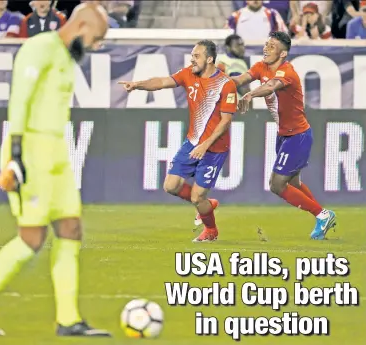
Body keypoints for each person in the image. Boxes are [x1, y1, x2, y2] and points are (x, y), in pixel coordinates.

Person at [0, 3, 112, 338]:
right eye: (96, 39)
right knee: (32, 237)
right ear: (81, 26)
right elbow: (19, 102)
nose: (94, 46)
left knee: (71, 228)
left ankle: (69, 320)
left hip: (57, 148)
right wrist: (15, 156)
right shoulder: (39, 48)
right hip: (29, 148)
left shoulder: (65, 57)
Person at [118, 40, 238, 242]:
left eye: (197, 55)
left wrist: (205, 145)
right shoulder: (188, 73)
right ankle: (207, 205)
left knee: (197, 197)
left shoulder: (226, 84)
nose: (192, 59)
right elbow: (162, 82)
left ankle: (211, 230)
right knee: (171, 185)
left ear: (209, 59)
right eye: (192, 55)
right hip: (192, 143)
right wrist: (137, 85)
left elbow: (226, 121)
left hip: (214, 149)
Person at [233, 31, 336, 240]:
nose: (266, 49)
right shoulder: (260, 66)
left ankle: (322, 215)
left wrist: (250, 93)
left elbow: (270, 86)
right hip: (284, 136)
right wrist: (217, 82)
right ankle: (323, 216)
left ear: (283, 53)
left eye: (272, 46)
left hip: (297, 136)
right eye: (266, 44)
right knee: (294, 184)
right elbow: (241, 79)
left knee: (277, 184)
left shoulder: (287, 72)